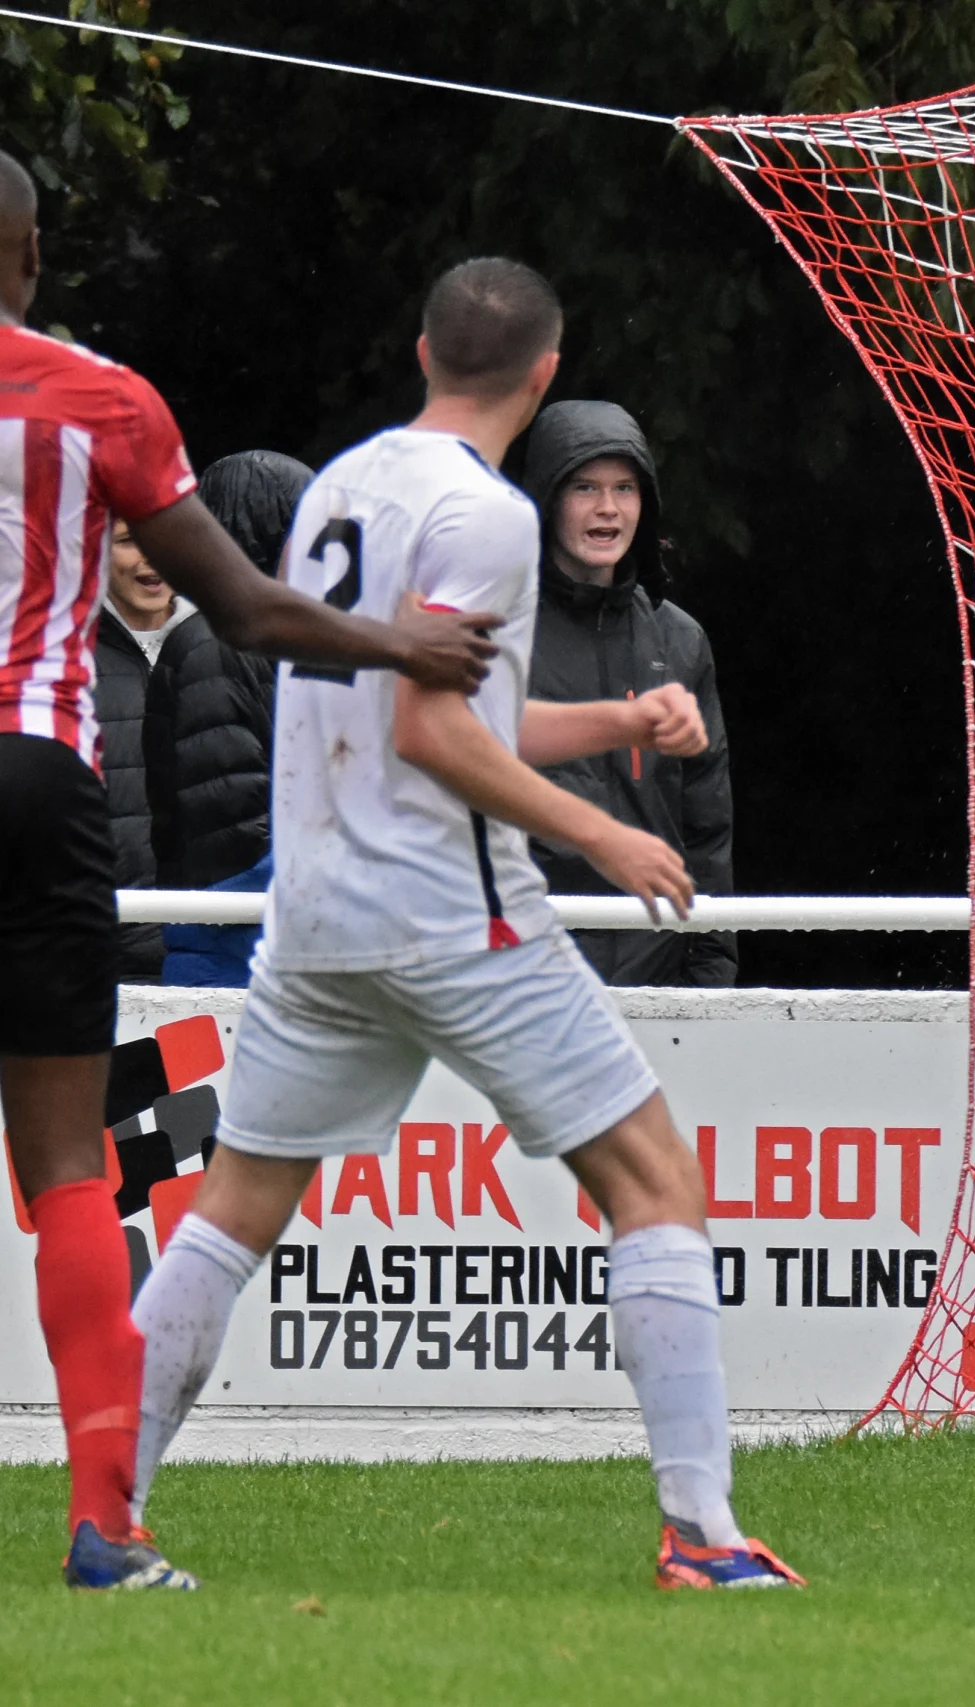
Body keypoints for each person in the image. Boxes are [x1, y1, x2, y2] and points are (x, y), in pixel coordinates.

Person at [122, 257, 803, 1592]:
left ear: (423, 347)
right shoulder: (487, 518)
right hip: (453, 917)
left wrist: (617, 719)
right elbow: (435, 730)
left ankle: (112, 1507)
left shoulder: (341, 489)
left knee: (226, 1216)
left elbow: (431, 709)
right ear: (543, 379)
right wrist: (602, 828)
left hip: (317, 917)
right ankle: (704, 1534)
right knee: (656, 1180)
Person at [0, 151, 498, 1592]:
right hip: (42, 775)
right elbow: (247, 602)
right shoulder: (104, 399)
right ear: (31, 255)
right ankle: (108, 1526)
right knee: (66, 1165)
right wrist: (403, 641)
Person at [521, 401, 734, 987]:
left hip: (658, 969)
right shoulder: (493, 631)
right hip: (523, 966)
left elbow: (706, 824)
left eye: (625, 488)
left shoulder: (681, 639)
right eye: (584, 486)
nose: (608, 509)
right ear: (546, 498)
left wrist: (711, 965)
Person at [144, 450, 314, 985]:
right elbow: (233, 833)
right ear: (266, 530)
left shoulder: (278, 643)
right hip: (230, 956)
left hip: (270, 946)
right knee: (210, 1074)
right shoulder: (217, 645)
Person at [97, 519, 187, 982]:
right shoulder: (62, 657)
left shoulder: (223, 643)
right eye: (130, 541)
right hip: (97, 948)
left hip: (208, 941)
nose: (151, 555)